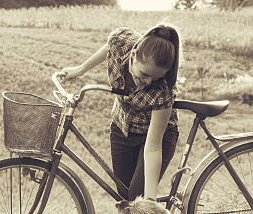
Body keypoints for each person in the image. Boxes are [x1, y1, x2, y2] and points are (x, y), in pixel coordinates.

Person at [61, 23, 184, 201]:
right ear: (133, 55)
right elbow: (111, 46)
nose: (148, 82)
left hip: (155, 137)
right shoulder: (122, 42)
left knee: (138, 200)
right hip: (122, 128)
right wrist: (80, 69)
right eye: (144, 74)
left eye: (155, 78)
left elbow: (153, 145)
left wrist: (150, 198)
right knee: (125, 199)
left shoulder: (164, 91)